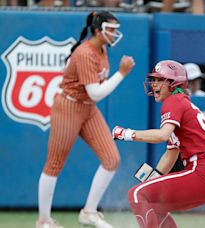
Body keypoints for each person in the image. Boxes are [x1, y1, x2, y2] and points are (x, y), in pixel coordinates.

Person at [36, 11, 135, 228]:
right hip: (69, 107)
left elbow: (93, 96)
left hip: (88, 109)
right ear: (99, 31)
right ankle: (44, 221)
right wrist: (121, 73)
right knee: (54, 163)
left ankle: (89, 212)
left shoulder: (101, 49)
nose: (116, 34)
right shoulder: (84, 53)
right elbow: (96, 93)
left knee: (111, 159)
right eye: (112, 29)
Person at [112, 60, 205, 228]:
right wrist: (156, 176)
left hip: (204, 169)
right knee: (154, 204)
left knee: (137, 194)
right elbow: (170, 154)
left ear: (174, 83)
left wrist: (127, 134)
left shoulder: (174, 100)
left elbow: (162, 135)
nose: (154, 84)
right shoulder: (182, 102)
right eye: (154, 79)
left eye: (160, 80)